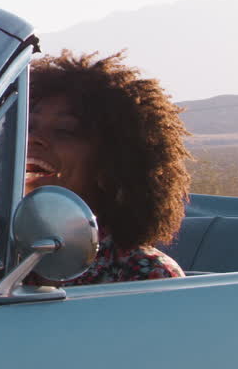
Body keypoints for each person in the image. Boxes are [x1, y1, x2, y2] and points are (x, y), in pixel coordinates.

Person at [26, 50, 192, 285]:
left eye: (64, 130)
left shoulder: (143, 275)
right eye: (29, 126)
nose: (33, 139)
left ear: (111, 163)